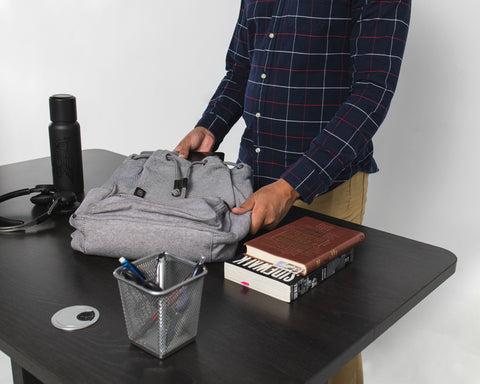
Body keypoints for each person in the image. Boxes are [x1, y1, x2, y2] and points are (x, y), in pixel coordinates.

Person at [175, 1, 411, 383]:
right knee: (257, 326)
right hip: (252, 183)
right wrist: (210, 126)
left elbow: (371, 93)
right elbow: (240, 70)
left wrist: (290, 187)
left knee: (323, 338)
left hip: (325, 189)